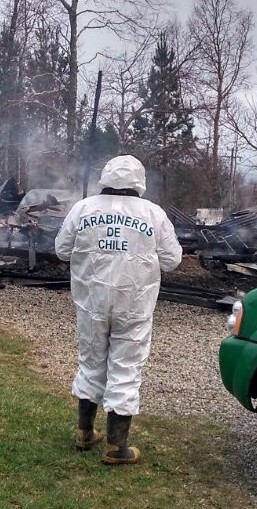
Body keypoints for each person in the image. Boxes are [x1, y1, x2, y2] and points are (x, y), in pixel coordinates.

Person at [54, 155, 183, 465]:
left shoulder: (83, 208)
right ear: (139, 182)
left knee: (91, 361)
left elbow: (61, 250)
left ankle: (85, 432)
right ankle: (116, 446)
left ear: (105, 177)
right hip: (134, 305)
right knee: (126, 367)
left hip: (91, 302)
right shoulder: (153, 214)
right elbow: (172, 259)